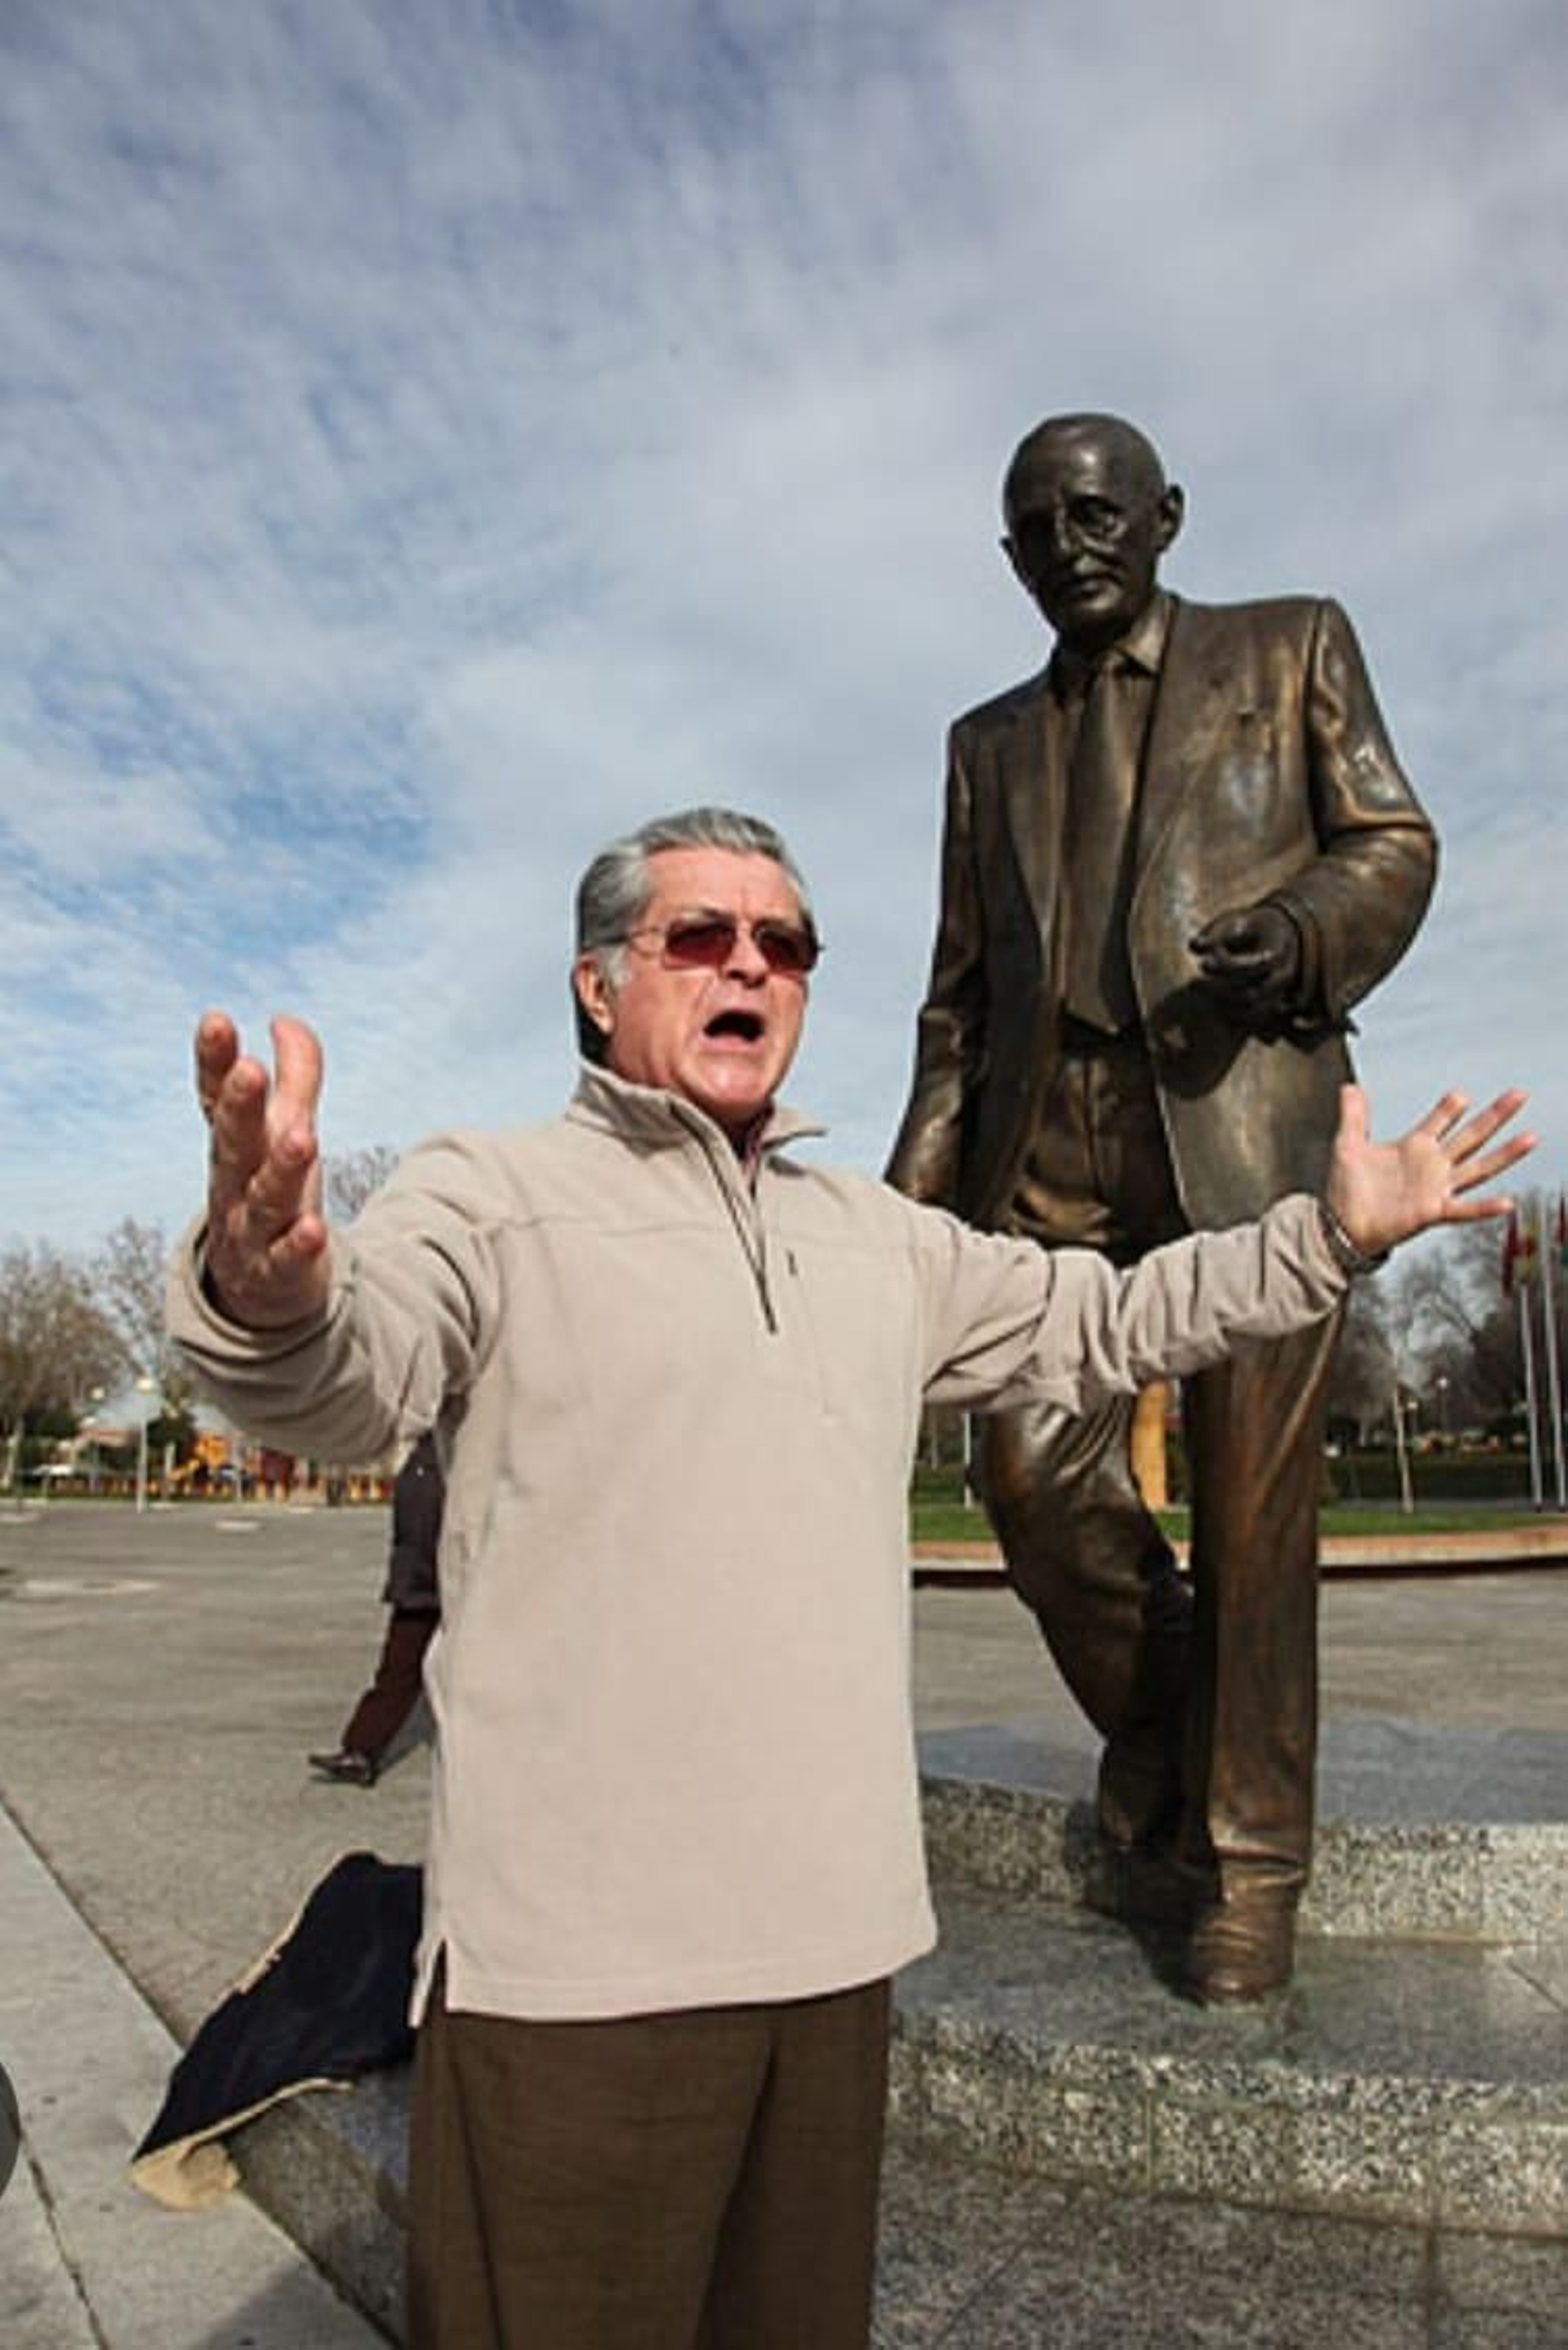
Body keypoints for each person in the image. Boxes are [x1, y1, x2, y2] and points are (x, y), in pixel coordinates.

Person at [167, 807, 1525, 2349]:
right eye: (701, 934)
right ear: (601, 983)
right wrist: (266, 1289)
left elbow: (1111, 1317)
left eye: (785, 943)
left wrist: (1326, 1238)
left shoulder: (881, 1240)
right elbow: (354, 1373)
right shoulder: (488, 1192)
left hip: (829, 1956)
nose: (749, 961)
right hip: (575, 1980)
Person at [886, 412, 1440, 2001]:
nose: (1073, 541)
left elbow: (1391, 839)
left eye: (1098, 509)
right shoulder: (983, 741)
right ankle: (1172, 1713)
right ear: (1010, 557)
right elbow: (959, 998)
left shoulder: (1293, 648)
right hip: (1047, 1140)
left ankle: (1252, 1863)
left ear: (1166, 516)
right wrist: (900, 1215)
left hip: (1242, 1129)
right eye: (1039, 526)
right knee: (1027, 1470)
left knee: (1257, 1512)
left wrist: (1304, 928)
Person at [310, 1430, 443, 1787]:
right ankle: (360, 1750)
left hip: (438, 1582)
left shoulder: (441, 1461)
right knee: (397, 1673)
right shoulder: (426, 1460)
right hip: (423, 1585)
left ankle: (361, 1751)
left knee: (402, 1673)